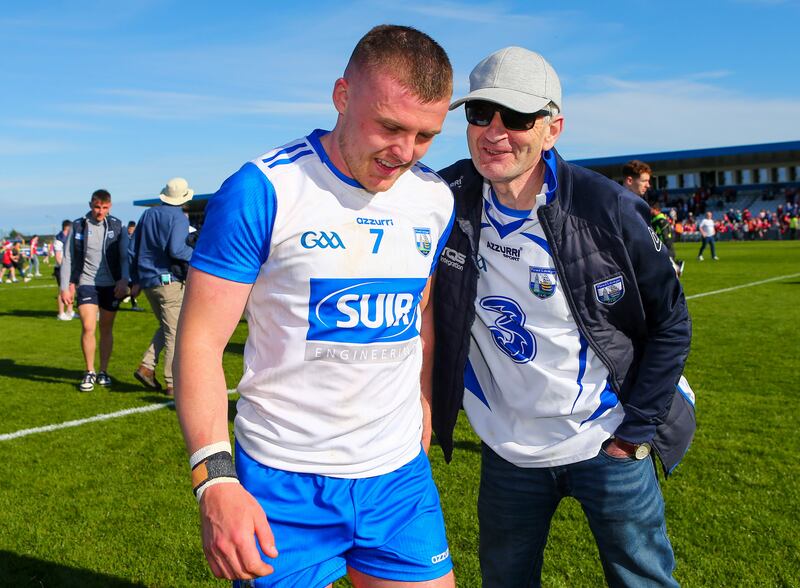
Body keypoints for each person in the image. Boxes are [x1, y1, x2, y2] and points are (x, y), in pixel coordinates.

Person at [174, 25, 456, 587]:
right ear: (342, 96)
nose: (404, 152)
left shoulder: (434, 200)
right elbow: (200, 342)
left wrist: (423, 397)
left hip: (398, 480)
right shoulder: (264, 190)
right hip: (284, 480)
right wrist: (215, 479)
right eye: (390, 126)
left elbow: (420, 311)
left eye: (426, 135)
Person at [433, 47, 692, 587]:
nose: (494, 132)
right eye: (480, 114)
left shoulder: (608, 208)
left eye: (518, 118)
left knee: (642, 580)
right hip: (507, 451)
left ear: (552, 129)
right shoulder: (443, 199)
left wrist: (634, 433)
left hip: (607, 439)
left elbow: (671, 323)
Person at [129, 178, 195, 396]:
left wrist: (134, 279)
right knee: (174, 332)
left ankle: (147, 366)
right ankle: (172, 382)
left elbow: (133, 248)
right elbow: (177, 250)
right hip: (168, 281)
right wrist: (197, 256)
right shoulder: (179, 218)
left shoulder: (148, 214)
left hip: (148, 281)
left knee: (167, 326)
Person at [60, 189, 130, 391]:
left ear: (110, 206)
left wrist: (124, 279)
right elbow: (68, 258)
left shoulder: (117, 225)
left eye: (105, 208)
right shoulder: (78, 225)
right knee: (89, 327)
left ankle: (103, 371)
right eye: (97, 207)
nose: (101, 211)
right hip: (87, 283)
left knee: (106, 329)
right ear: (91, 204)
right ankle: (89, 371)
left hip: (111, 285)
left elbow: (125, 256)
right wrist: (65, 287)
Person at [623, 161, 685, 278]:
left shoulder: (638, 205)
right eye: (644, 181)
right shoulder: (620, 205)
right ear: (630, 181)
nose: (648, 185)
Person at [54, 220, 75, 320]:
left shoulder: (70, 239)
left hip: (71, 268)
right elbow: (58, 257)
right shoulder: (59, 240)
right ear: (67, 228)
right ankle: (61, 313)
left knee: (72, 289)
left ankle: (70, 311)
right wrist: (64, 268)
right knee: (63, 290)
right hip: (61, 269)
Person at [124, 221, 145, 311]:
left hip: (132, 266)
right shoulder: (125, 238)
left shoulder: (136, 238)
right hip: (126, 266)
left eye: (133, 229)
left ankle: (132, 301)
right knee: (130, 285)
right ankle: (130, 299)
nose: (131, 230)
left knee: (134, 285)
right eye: (130, 228)